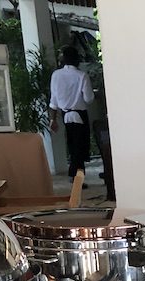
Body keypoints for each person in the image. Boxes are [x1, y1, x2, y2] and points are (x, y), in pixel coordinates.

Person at [49, 46, 95, 186]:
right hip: (80, 114)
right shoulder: (82, 76)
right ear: (77, 60)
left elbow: (53, 100)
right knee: (80, 148)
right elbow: (88, 98)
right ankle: (76, 177)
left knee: (72, 145)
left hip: (65, 115)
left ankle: (74, 175)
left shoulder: (56, 75)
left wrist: (52, 119)